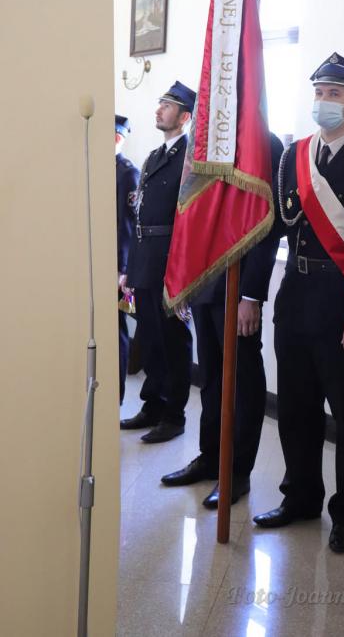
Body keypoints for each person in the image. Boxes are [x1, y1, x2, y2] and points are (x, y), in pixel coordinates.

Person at [253, 52, 344, 554]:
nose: (323, 102)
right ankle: (299, 497)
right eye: (319, 93)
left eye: (334, 94)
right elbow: (276, 226)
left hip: (343, 307)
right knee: (296, 410)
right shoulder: (292, 156)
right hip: (295, 299)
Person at [160, 132, 284, 507]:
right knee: (211, 377)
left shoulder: (262, 141)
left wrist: (252, 294)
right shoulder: (206, 139)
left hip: (238, 282)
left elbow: (267, 225)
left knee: (241, 380)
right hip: (205, 279)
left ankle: (237, 470)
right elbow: (190, 213)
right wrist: (183, 279)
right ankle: (210, 457)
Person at [120, 81, 196, 443]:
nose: (158, 109)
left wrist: (182, 271)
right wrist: (131, 269)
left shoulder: (191, 158)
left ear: (184, 117)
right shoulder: (153, 156)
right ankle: (152, 405)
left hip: (171, 262)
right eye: (160, 103)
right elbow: (139, 216)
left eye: (167, 105)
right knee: (149, 338)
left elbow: (189, 219)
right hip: (146, 260)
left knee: (173, 341)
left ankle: (174, 415)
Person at [115, 114, 140, 404]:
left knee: (116, 329)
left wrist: (124, 269)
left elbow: (129, 227)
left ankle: (116, 396)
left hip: (117, 267)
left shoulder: (127, 173)